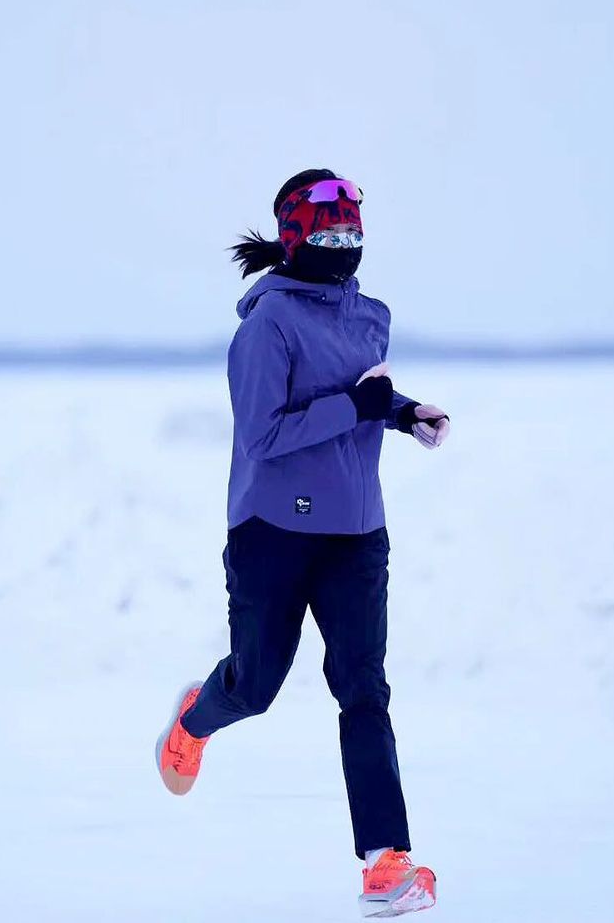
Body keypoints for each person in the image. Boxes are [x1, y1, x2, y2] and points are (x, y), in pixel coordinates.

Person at [155, 168, 450, 917]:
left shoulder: (370, 316)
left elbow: (361, 391)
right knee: (255, 688)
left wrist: (401, 412)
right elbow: (263, 435)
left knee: (364, 690)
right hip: (272, 533)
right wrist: (358, 405)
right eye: (330, 230)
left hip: (357, 533)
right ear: (295, 237)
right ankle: (195, 718)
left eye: (353, 229)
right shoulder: (267, 327)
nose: (344, 240)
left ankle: (386, 864)